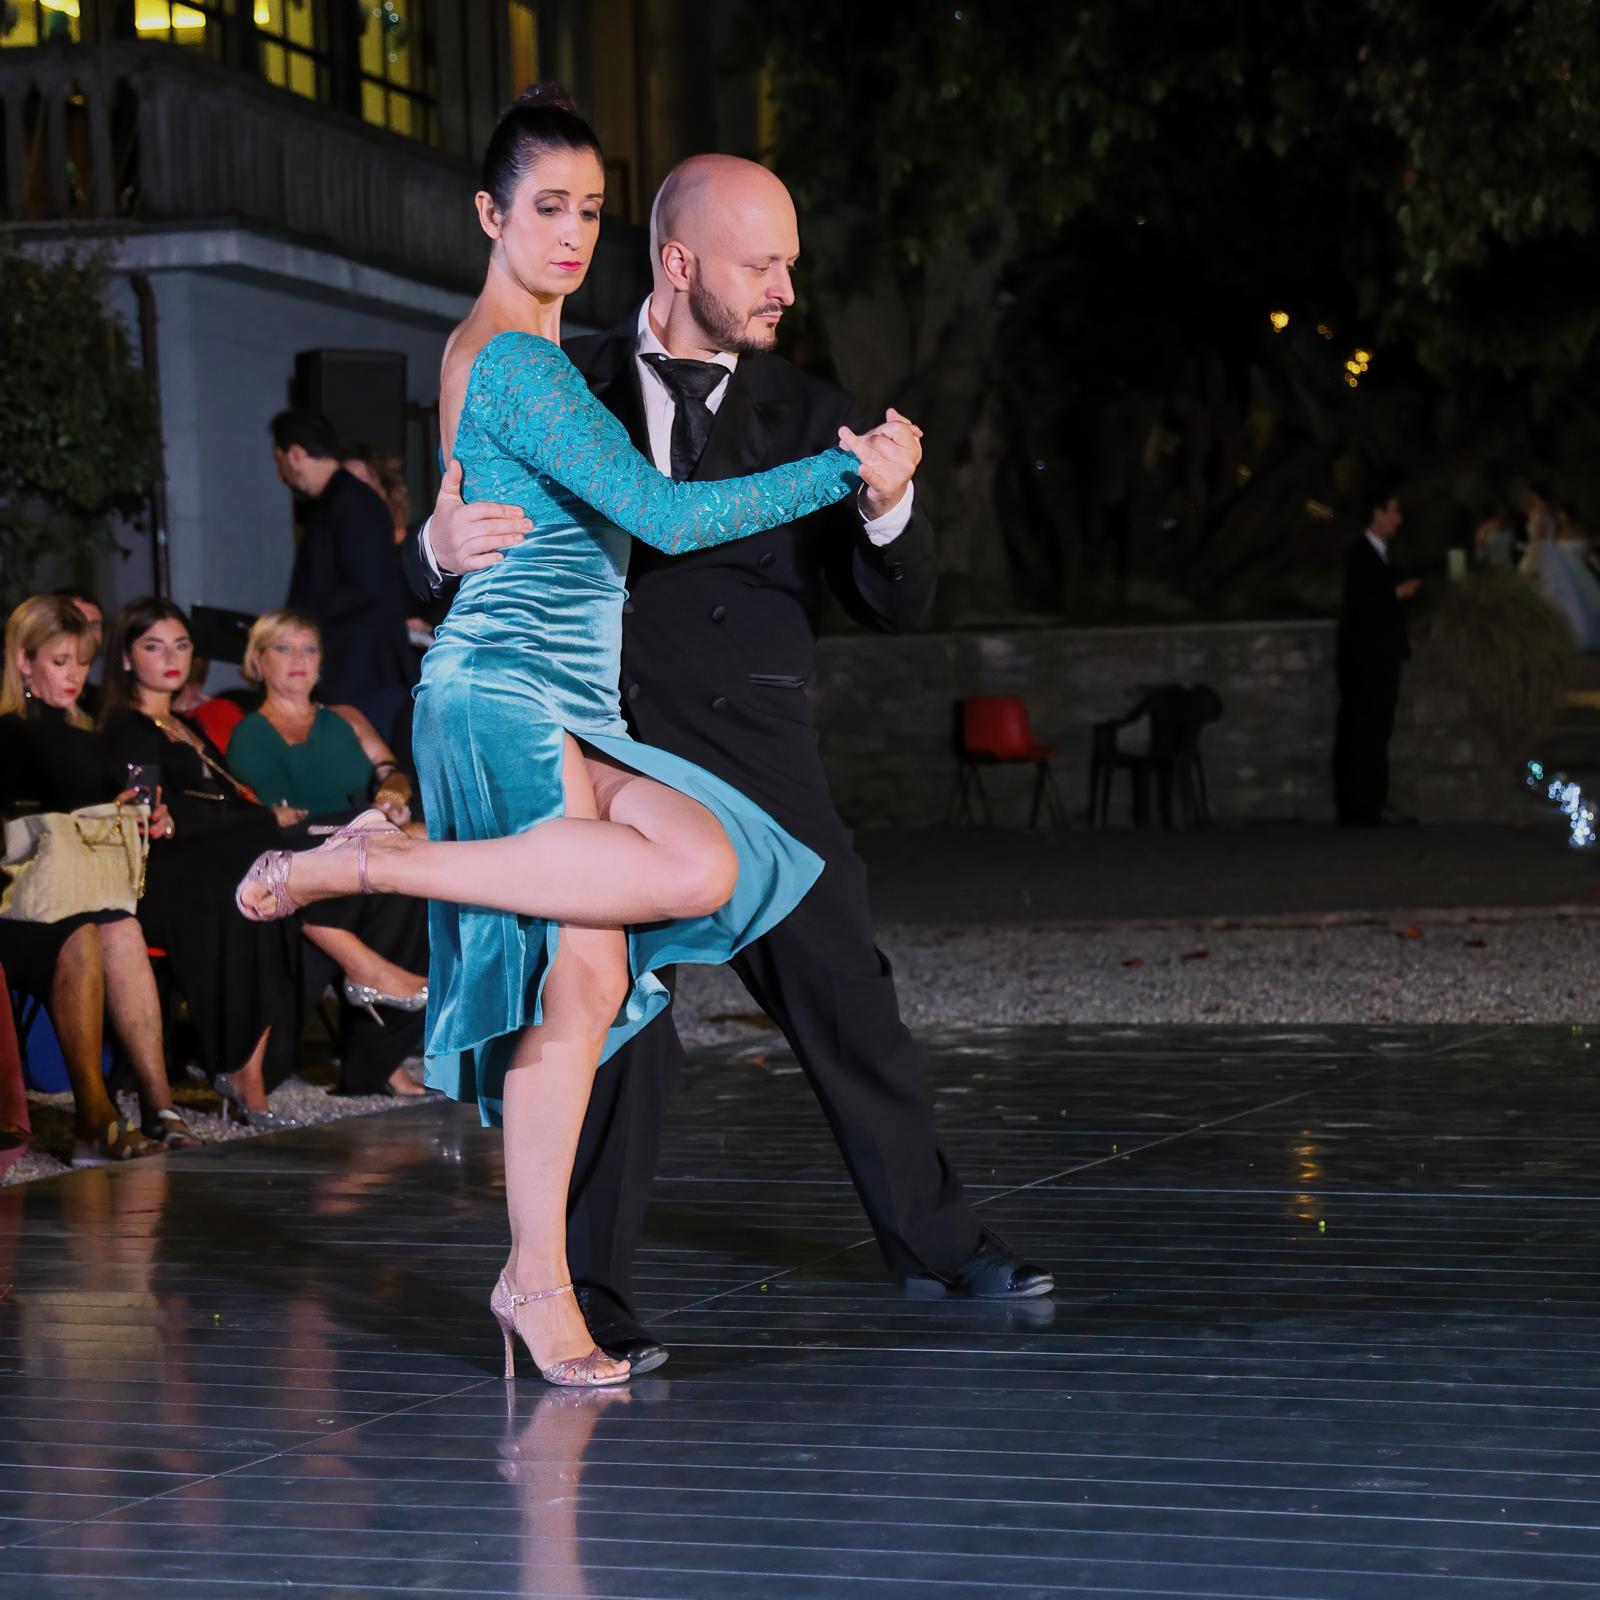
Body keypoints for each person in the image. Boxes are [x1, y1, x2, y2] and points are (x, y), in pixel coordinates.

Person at [234, 86, 905, 1388]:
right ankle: (364, 865)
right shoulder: (523, 359)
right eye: (548, 209)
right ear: (490, 213)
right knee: (665, 905)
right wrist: (846, 467)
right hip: (511, 693)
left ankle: (533, 1283)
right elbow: (661, 513)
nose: (572, 234)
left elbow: (482, 521)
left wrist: (430, 543)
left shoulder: (485, 351)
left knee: (612, 963)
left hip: (560, 695)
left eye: (592, 212)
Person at [406, 151, 1055, 1373]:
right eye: (764, 265)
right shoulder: (556, 369)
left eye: (791, 266)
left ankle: (937, 1239)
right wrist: (432, 549)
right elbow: (452, 538)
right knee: (608, 1028)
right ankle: (583, 1290)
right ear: (678, 263)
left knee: (848, 1000)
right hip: (599, 756)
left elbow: (892, 599)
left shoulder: (814, 411)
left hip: (758, 769)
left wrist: (887, 507)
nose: (784, 291)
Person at [101, 599, 431, 1103]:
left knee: (389, 864)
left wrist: (388, 793)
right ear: (125, 657)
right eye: (153, 646)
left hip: (241, 845)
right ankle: (363, 967)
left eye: (182, 645)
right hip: (189, 868)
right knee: (359, 842)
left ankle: (376, 1046)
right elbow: (158, 811)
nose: (171, 657)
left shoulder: (186, 726)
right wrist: (263, 817)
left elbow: (224, 801)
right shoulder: (131, 727)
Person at [0, 596, 203, 1161]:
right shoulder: (8, 734)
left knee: (120, 929)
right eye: (59, 661)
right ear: (24, 661)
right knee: (88, 933)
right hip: (21, 904)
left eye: (82, 662)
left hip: (81, 894)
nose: (73, 675)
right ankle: (94, 1114)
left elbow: (98, 814)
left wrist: (140, 818)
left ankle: (159, 1106)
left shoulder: (88, 736)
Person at [273, 411, 418, 746]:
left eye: (279, 461)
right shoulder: (340, 502)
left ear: (295, 454)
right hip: (355, 671)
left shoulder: (351, 502)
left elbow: (366, 586)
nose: (281, 475)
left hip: (363, 674)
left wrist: (301, 621)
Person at [229, 611, 419, 829]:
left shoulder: (347, 716)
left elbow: (393, 774)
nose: (299, 658)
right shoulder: (249, 733)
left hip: (370, 832)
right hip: (305, 848)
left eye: (310, 649)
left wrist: (390, 799)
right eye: (283, 648)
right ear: (257, 661)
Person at [1335, 489, 1421, 825]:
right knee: (1363, 730)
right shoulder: (1360, 554)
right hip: (1366, 659)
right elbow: (1362, 603)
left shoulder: (1380, 554)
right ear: (1378, 513)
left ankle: (1371, 802)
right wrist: (1396, 593)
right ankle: (1359, 806)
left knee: (1377, 730)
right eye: (1394, 511)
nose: (1398, 519)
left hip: (1380, 656)